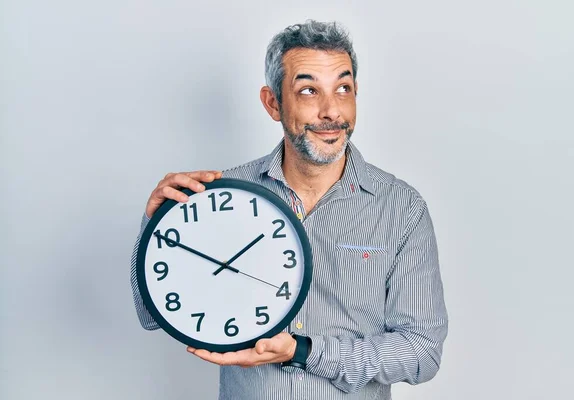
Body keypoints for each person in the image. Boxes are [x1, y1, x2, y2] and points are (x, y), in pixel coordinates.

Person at [130, 19, 448, 400]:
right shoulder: (217, 197)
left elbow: (421, 352)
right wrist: (157, 227)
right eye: (309, 91)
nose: (331, 111)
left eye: (343, 89)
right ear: (273, 103)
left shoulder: (401, 209)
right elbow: (153, 315)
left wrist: (305, 351)